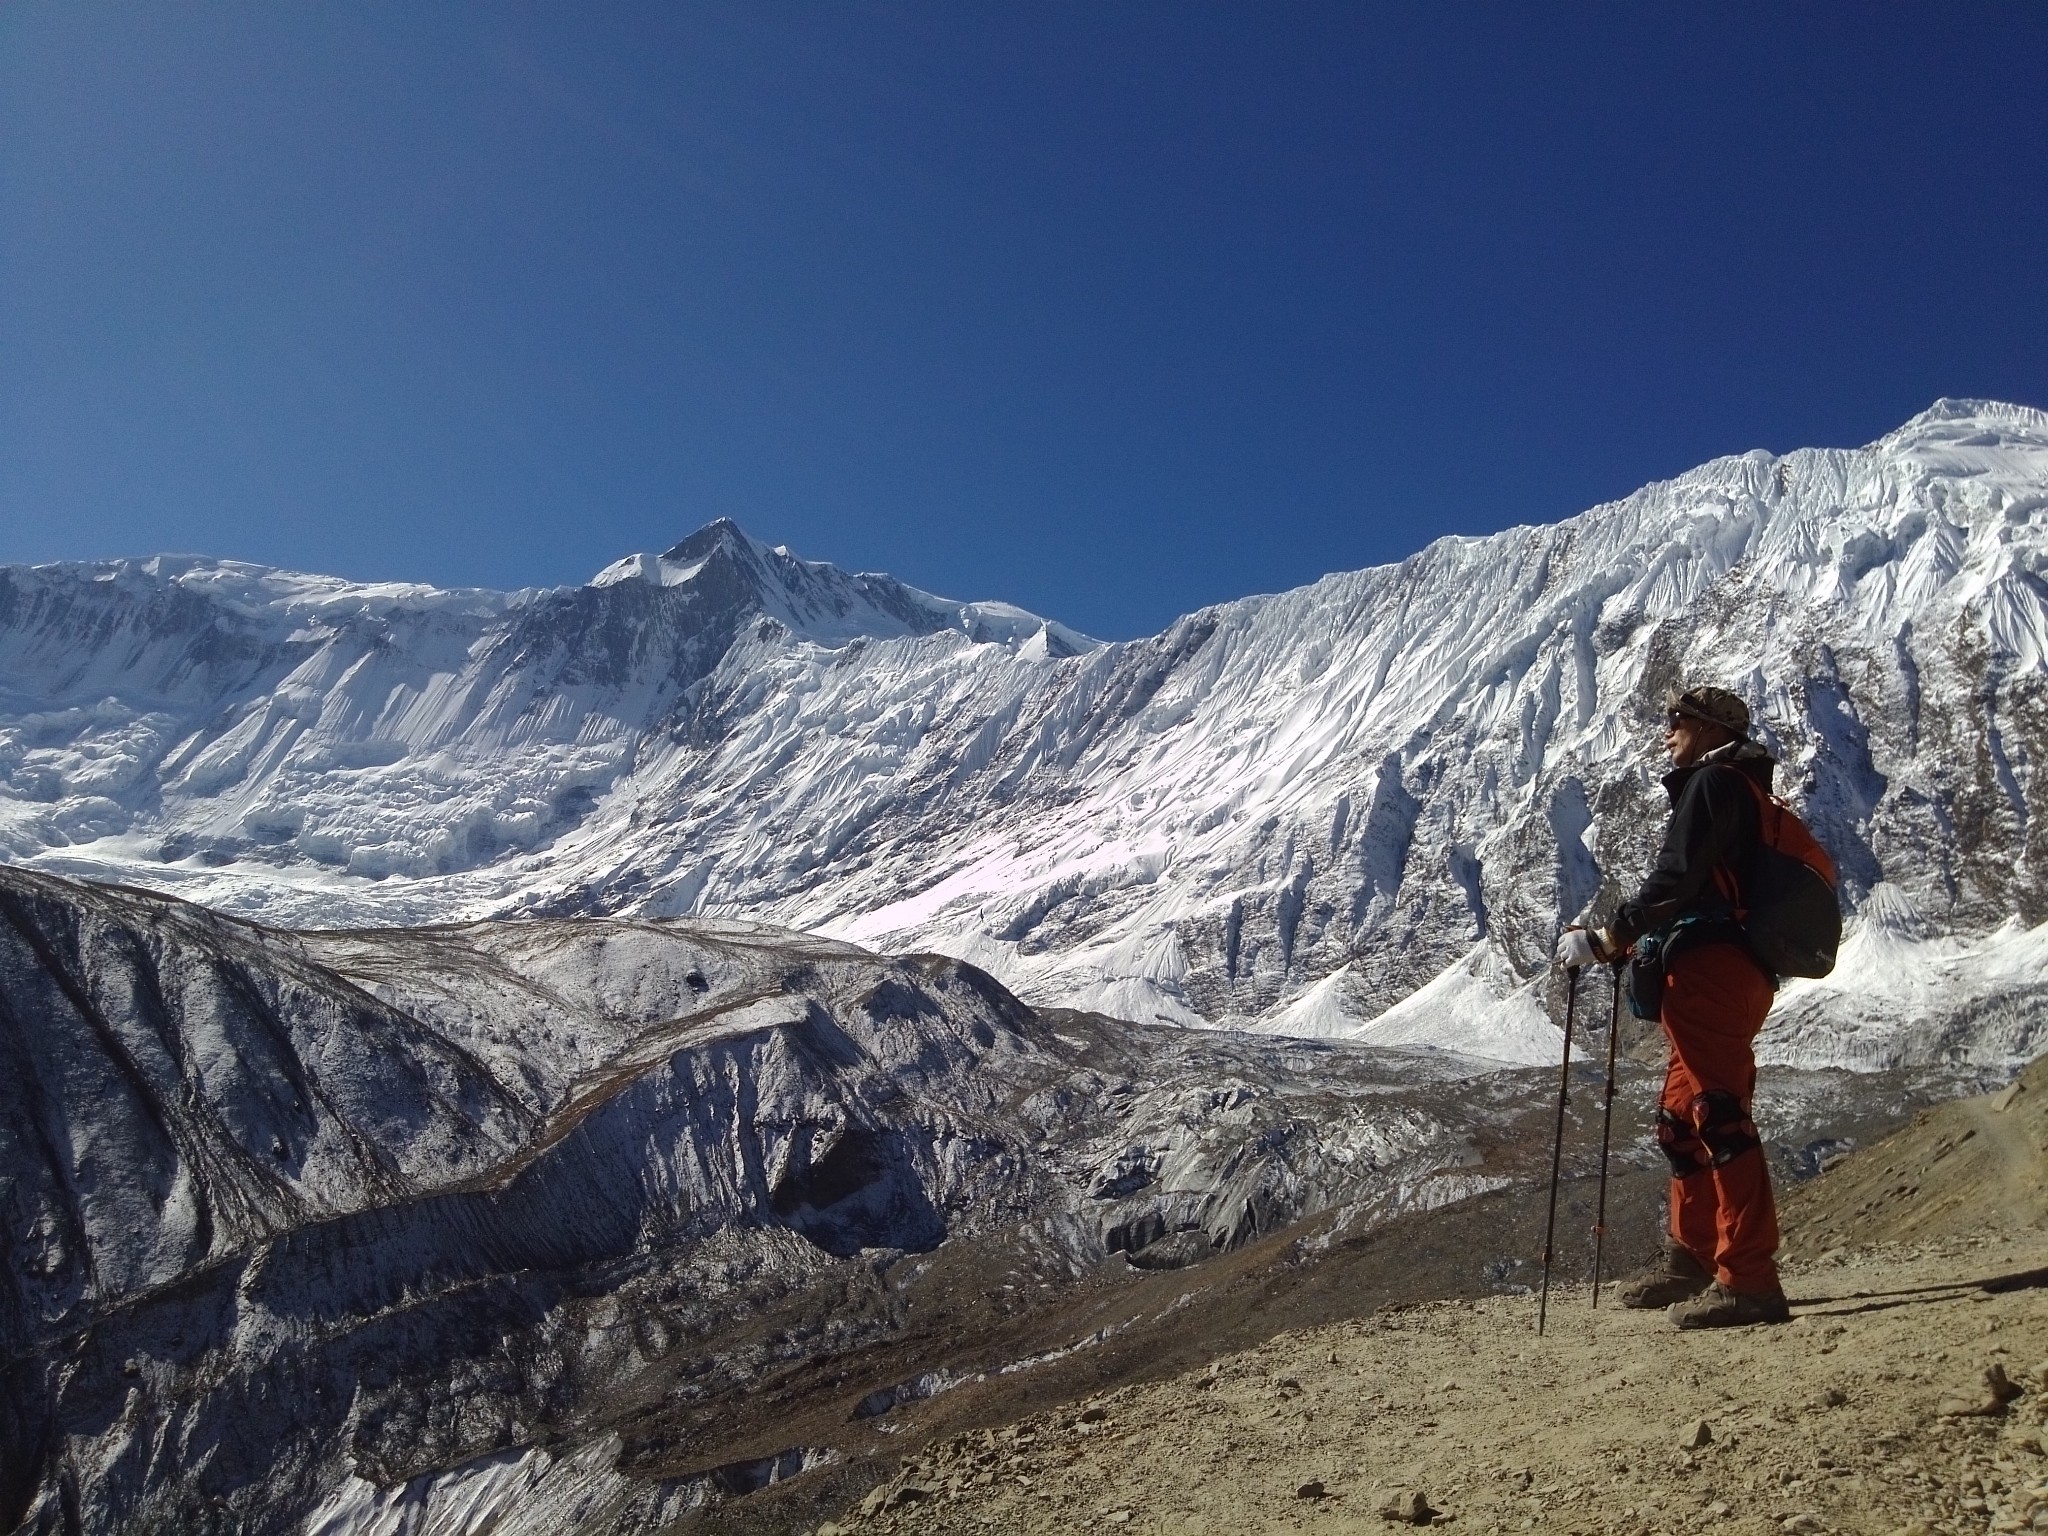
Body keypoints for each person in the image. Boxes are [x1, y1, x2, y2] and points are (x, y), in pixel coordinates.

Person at [1554, 685, 1789, 1328]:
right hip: (1728, 967)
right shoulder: (1745, 792)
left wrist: (1609, 938)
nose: (1668, 732)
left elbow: (1675, 880)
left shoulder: (1714, 784)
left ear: (1710, 730)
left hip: (1711, 967)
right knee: (1681, 1120)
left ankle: (1749, 1280)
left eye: (1678, 721)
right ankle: (1694, 1253)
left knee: (1718, 1115)